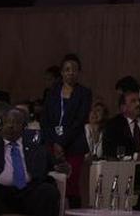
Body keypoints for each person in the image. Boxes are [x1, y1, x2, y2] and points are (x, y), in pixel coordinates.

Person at [42, 54, 91, 206]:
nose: (71, 73)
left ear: (79, 72)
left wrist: (62, 143)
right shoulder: (52, 92)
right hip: (52, 144)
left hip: (74, 145)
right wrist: (55, 142)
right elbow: (45, 120)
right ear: (62, 73)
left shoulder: (84, 93)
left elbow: (80, 120)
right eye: (67, 70)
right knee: (51, 183)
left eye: (74, 70)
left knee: (71, 185)